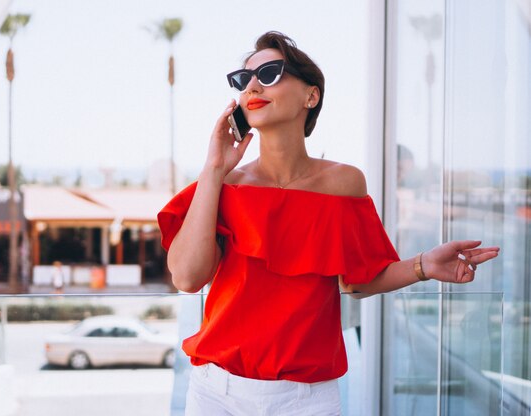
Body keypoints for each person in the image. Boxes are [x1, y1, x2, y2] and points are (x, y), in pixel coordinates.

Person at [157, 31, 499, 416]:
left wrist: (424, 266)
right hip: (215, 393)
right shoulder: (223, 183)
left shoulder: (343, 183)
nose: (252, 85)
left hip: (307, 399)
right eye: (243, 79)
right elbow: (187, 278)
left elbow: (356, 279)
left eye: (270, 72)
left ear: (311, 95)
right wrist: (214, 168)